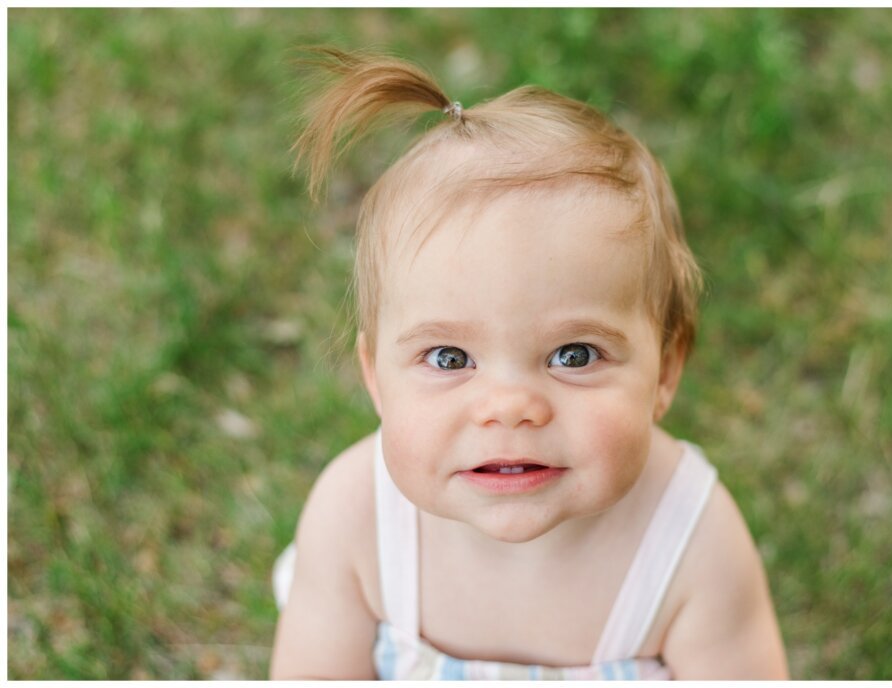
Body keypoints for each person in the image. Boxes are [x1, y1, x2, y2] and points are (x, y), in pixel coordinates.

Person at [269, 47, 788, 680]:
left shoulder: (690, 544)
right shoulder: (355, 521)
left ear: (667, 370)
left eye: (573, 355)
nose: (510, 407)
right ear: (376, 377)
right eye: (449, 356)